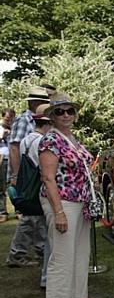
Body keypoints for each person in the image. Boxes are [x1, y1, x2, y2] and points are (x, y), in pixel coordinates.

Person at [39, 93, 101, 298]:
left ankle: (77, 296)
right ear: (52, 116)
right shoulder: (50, 141)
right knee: (63, 253)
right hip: (62, 201)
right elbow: (48, 178)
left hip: (80, 201)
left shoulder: (72, 138)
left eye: (69, 111)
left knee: (81, 250)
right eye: (60, 111)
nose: (66, 115)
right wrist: (58, 212)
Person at [5, 87, 49, 268]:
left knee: (34, 216)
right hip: (29, 178)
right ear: (33, 102)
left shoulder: (31, 124)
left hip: (30, 177)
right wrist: (16, 176)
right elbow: (14, 148)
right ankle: (21, 253)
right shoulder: (25, 120)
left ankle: (36, 250)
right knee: (32, 216)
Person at [21, 104, 52, 288]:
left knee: (41, 230)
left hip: (31, 189)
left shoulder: (27, 140)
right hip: (42, 189)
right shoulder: (41, 142)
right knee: (50, 236)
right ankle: (47, 277)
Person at [0, 108, 15, 222]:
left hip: (13, 158)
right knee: (1, 187)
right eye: (6, 119)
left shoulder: (15, 128)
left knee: (14, 185)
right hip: (2, 159)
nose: (8, 121)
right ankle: (2, 212)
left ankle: (19, 210)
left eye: (10, 119)